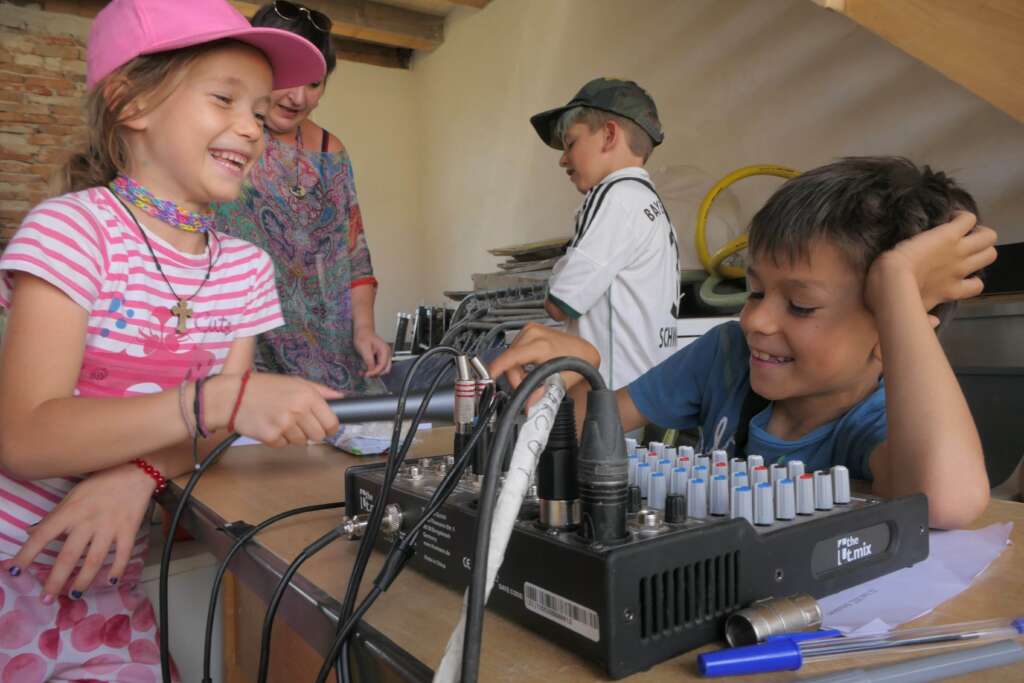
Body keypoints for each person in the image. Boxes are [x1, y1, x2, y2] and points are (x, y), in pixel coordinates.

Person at [0, 0, 337, 677]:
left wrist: (141, 474)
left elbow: (217, 430)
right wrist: (215, 399)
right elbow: (25, 436)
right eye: (224, 99)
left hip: (108, 583)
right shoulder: (72, 231)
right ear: (131, 102)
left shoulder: (245, 269)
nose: (253, 127)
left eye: (260, 110)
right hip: (12, 565)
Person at [491, 157, 997, 530]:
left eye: (801, 305)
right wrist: (586, 371)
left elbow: (946, 501)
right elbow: (571, 435)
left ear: (893, 332)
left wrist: (897, 284)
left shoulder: (878, 420)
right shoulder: (726, 355)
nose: (755, 319)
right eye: (755, 291)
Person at [215, 1, 391, 395]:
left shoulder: (330, 152)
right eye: (287, 76)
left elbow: (355, 252)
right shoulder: (222, 139)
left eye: (314, 83)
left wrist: (364, 330)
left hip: (326, 352)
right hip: (237, 343)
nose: (298, 97)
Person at [530, 78, 680, 391]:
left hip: (610, 397)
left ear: (609, 135)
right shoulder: (650, 204)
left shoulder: (613, 195)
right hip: (646, 391)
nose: (562, 159)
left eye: (570, 143)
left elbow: (560, 303)